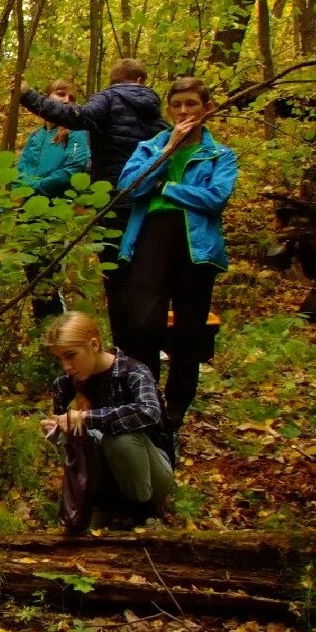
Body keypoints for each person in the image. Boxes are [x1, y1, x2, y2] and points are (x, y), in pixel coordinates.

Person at [115, 76, 238, 436]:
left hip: (197, 250)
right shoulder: (150, 146)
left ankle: (177, 409)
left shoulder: (220, 154)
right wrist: (166, 152)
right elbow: (128, 187)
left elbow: (215, 198)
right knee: (143, 326)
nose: (184, 111)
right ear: (169, 109)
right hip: (151, 240)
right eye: (178, 105)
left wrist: (165, 186)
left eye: (192, 104)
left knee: (189, 333)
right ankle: (147, 401)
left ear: (207, 108)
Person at [20, 59, 167, 350]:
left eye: (69, 96)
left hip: (111, 200)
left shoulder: (107, 101)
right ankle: (142, 352)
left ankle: (126, 351)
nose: (67, 101)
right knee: (145, 278)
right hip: (149, 200)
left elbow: (76, 129)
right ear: (140, 80)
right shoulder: (154, 112)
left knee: (118, 279)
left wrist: (27, 94)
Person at [42, 311, 174, 532]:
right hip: (101, 481)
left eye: (71, 355)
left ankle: (142, 513)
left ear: (94, 345)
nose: (66, 366)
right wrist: (58, 431)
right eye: (60, 358)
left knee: (120, 438)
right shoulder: (64, 385)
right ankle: (100, 508)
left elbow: (149, 413)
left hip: (150, 473)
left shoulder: (132, 372)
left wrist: (87, 418)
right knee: (70, 435)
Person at [15, 79, 93, 321]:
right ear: (46, 97)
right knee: (34, 278)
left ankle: (60, 333)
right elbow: (20, 172)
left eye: (71, 97)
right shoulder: (35, 137)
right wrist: (23, 192)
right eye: (61, 94)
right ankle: (44, 336)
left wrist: (38, 187)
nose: (66, 100)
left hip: (57, 213)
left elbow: (76, 166)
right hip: (28, 213)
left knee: (51, 279)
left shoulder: (77, 133)